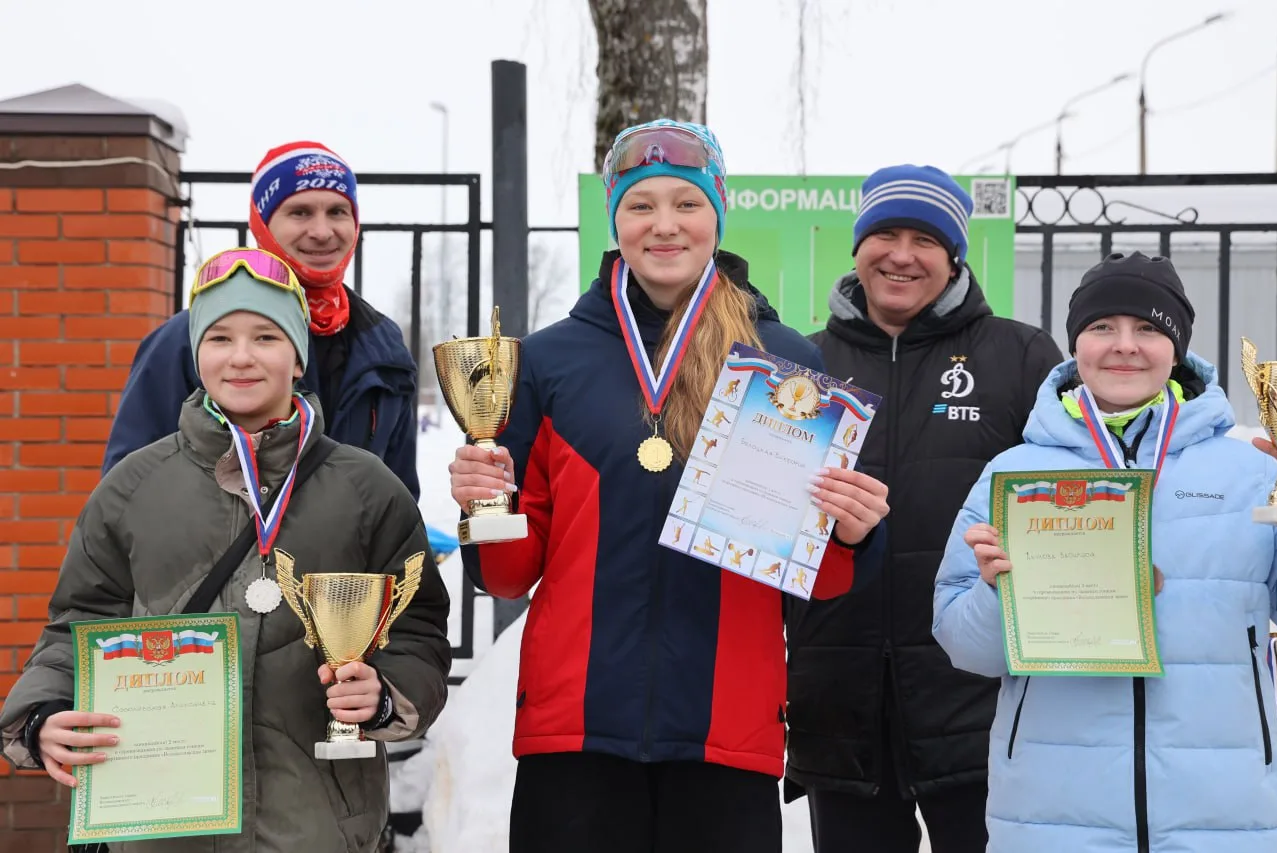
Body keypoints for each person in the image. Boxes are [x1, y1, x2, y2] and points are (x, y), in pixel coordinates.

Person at [448, 120, 890, 853]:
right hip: (576, 731)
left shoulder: (781, 363)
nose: (664, 225)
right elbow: (508, 575)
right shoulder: (549, 362)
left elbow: (815, 577)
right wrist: (482, 504)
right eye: (640, 205)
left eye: (687, 203)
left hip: (726, 733)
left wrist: (849, 531)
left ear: (718, 214)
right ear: (614, 218)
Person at [0, 248, 451, 853]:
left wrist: (386, 695)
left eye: (266, 336)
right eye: (219, 338)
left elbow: (417, 626)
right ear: (196, 355)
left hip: (317, 825)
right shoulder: (134, 487)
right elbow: (78, 623)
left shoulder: (367, 489)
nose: (241, 357)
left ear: (298, 357)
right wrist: (44, 713)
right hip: (162, 829)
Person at [934, 251, 1277, 852]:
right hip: (1052, 816)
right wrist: (996, 592)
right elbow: (965, 647)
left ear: (1176, 347)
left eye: (1148, 327)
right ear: (1076, 344)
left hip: (1225, 813)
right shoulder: (1014, 474)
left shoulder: (1250, 472)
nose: (1125, 345)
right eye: (1102, 326)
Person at [784, 164, 1063, 852]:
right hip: (841, 702)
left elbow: (1071, 496)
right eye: (885, 235)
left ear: (954, 257)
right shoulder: (802, 364)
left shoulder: (1019, 356)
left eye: (926, 240)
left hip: (976, 702)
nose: (902, 256)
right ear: (858, 247)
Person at [103, 141, 421, 499]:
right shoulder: (186, 340)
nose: (321, 231)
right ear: (263, 224)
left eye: (337, 211)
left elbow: (399, 497)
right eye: (300, 212)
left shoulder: (383, 344)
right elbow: (127, 493)